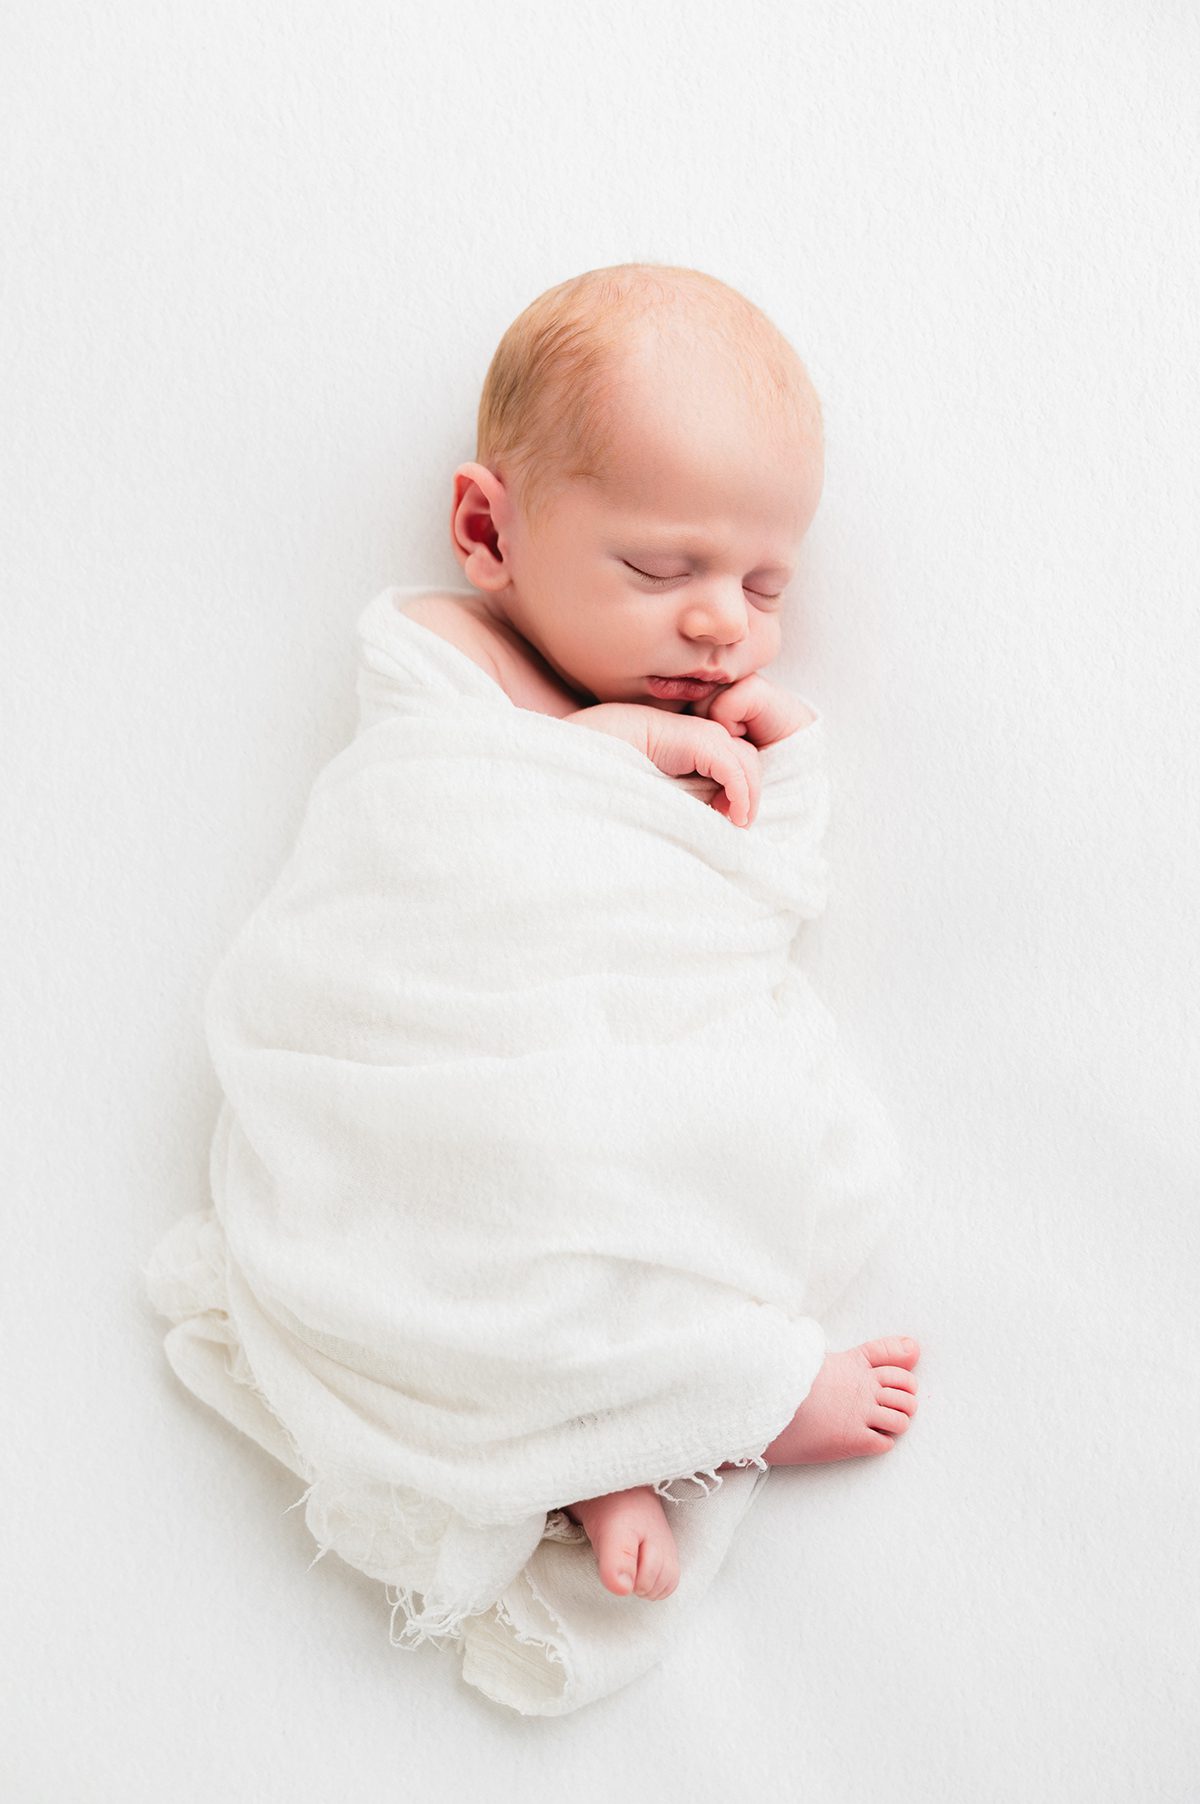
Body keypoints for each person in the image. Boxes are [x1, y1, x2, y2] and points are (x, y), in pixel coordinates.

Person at [396, 262, 921, 1605]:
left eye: (764, 585)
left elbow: (760, 908)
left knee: (704, 1153)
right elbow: (428, 814)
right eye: (660, 566)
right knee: (510, 1196)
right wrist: (618, 741)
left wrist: (785, 774)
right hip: (461, 1057)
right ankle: (627, 1439)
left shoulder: (722, 720)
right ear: (487, 529)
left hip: (628, 1041)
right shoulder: (441, 647)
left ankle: (670, 1416)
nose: (718, 622)